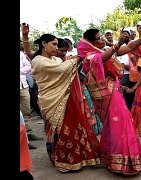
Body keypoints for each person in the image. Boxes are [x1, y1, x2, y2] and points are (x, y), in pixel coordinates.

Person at [78, 28, 141, 175]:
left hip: (114, 92)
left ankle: (120, 159)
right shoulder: (89, 57)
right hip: (106, 96)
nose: (102, 39)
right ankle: (121, 162)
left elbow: (128, 48)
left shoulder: (103, 51)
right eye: (98, 38)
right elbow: (101, 59)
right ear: (91, 43)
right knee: (118, 124)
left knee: (120, 123)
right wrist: (115, 46)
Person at [31, 34, 101, 173]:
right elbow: (60, 70)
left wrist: (77, 59)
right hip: (50, 100)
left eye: (57, 45)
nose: (56, 48)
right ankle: (63, 161)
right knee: (58, 131)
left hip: (65, 98)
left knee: (70, 129)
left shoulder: (56, 59)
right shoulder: (38, 61)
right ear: (44, 44)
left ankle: (76, 159)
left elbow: (64, 69)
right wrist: (79, 58)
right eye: (54, 44)